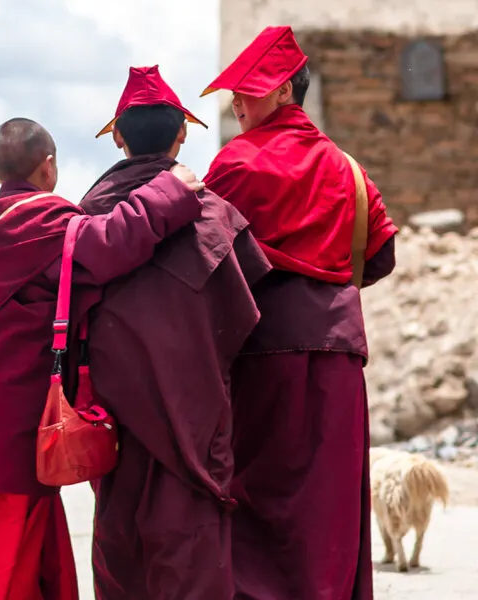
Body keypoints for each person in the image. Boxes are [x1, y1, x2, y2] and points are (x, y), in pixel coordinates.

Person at [0, 117, 206, 599]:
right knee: (4, 555)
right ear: (50, 167)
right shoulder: (45, 224)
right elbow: (112, 243)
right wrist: (169, 192)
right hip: (3, 427)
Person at [201, 26, 399, 599]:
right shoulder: (350, 170)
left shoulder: (234, 165)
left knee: (258, 498)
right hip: (338, 355)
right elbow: (380, 258)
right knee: (329, 505)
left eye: (247, 90)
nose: (235, 101)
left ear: (285, 92)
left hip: (259, 354)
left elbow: (205, 263)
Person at [82, 65, 272, 599]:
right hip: (196, 410)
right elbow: (247, 319)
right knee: (191, 539)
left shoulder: (87, 220)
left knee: (122, 535)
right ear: (182, 133)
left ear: (117, 135)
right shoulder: (214, 215)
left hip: (115, 414)